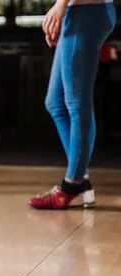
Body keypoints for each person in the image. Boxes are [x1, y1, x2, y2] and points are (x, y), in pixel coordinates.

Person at [28, 0, 116, 209]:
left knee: (77, 103)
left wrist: (60, 5)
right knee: (55, 102)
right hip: (77, 11)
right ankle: (82, 182)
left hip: (86, 11)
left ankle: (72, 185)